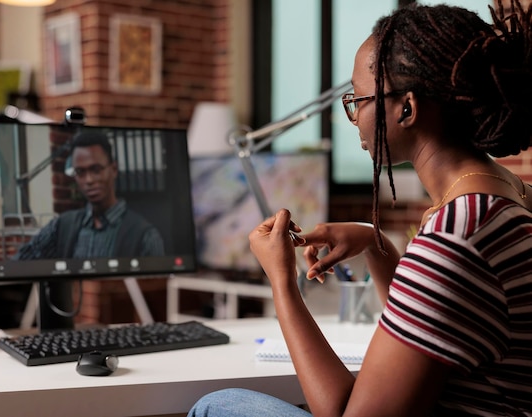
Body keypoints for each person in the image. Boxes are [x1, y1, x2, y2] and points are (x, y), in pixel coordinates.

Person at [188, 1, 532, 416]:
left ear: (406, 108)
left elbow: (345, 413)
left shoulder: (458, 232)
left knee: (218, 405)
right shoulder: (510, 196)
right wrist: (376, 242)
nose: (353, 116)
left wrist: (282, 282)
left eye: (358, 99)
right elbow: (423, 336)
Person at [14, 130, 164, 260]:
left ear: (114, 169)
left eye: (96, 169)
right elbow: (20, 263)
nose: (89, 180)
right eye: (80, 172)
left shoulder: (144, 236)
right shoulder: (62, 227)